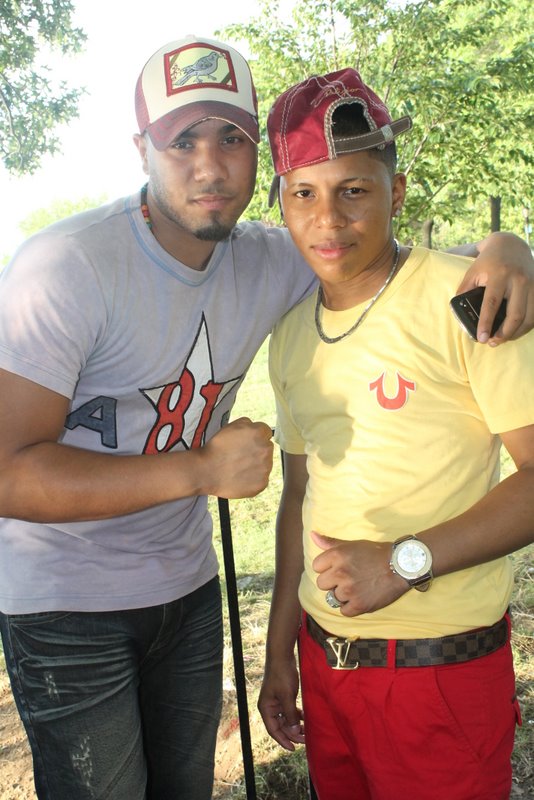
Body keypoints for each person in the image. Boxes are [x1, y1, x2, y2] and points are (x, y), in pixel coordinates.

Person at [0, 35, 532, 800]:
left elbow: (401, 267)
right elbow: (9, 473)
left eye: (232, 139)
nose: (210, 166)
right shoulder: (67, 267)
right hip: (67, 600)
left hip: (196, 591)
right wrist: (202, 476)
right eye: (182, 141)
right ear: (140, 149)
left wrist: (509, 246)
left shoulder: (281, 261)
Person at [258, 68, 534, 800]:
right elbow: (298, 497)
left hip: (439, 671)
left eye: (354, 189)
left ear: (397, 191)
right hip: (326, 667)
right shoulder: (291, 335)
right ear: (281, 203)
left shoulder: (466, 298)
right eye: (303, 194)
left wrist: (404, 562)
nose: (328, 219)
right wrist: (281, 649)